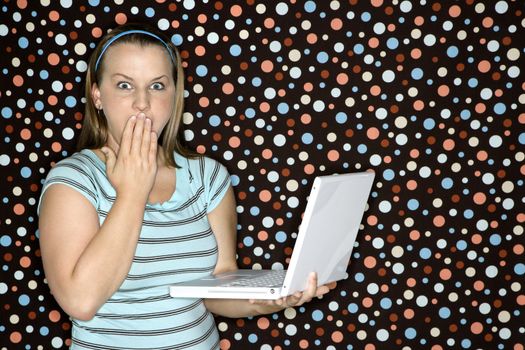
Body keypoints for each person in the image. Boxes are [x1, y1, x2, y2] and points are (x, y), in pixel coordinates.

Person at [38, 23, 330, 349]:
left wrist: (270, 300)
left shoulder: (207, 177)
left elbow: (217, 289)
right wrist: (133, 191)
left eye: (157, 86)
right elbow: (81, 301)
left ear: (174, 94)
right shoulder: (73, 181)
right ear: (97, 95)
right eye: (124, 85)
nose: (142, 103)